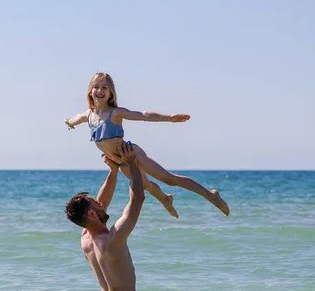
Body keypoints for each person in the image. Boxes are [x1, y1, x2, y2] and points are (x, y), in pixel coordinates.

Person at [64, 72, 230, 218]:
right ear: (90, 91)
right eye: (96, 87)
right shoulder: (89, 115)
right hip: (120, 161)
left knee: (169, 179)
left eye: (105, 88)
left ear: (110, 93)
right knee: (146, 186)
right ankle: (165, 199)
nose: (100, 91)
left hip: (131, 153)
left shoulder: (115, 113)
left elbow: (143, 115)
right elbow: (75, 118)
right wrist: (68, 123)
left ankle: (210, 195)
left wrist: (169, 117)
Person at [65, 141, 147, 291]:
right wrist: (132, 164)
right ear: (92, 214)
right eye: (97, 204)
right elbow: (138, 199)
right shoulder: (113, 238)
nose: (101, 203)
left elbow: (102, 200)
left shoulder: (86, 238)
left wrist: (113, 171)